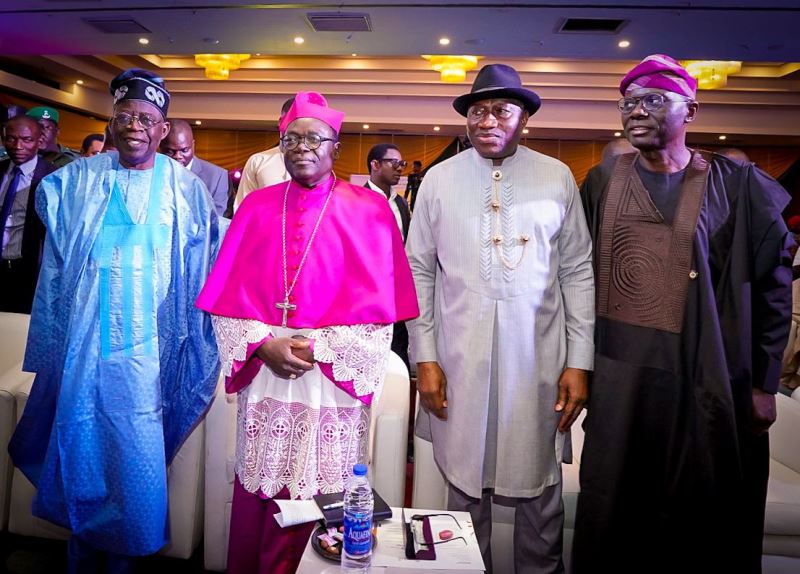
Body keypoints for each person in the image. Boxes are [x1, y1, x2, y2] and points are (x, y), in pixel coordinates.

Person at [573, 54, 792, 574]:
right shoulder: (603, 180)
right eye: (628, 102)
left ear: (690, 110)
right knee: (616, 508)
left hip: (707, 378)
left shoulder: (738, 186)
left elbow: (774, 288)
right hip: (622, 379)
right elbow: (576, 276)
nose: (637, 111)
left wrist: (764, 382)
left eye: (653, 100)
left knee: (703, 507)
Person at [8, 68, 222, 573]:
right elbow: (48, 213)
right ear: (111, 121)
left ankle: (126, 557)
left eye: (147, 118)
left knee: (135, 454)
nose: (134, 126)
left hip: (148, 352)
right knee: (81, 444)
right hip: (85, 345)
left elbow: (204, 258)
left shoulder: (185, 189)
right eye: (124, 116)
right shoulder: (79, 180)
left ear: (163, 128)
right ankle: (81, 555)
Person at [196, 91, 418, 574]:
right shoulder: (255, 207)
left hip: (331, 375)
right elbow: (226, 300)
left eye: (314, 138)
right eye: (291, 138)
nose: (302, 147)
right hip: (267, 371)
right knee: (264, 484)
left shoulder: (371, 210)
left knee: (325, 491)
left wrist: (316, 347)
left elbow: (382, 316)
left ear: (336, 146)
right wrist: (262, 344)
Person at [406, 63, 594, 574]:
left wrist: (579, 361)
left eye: (501, 110)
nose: (486, 120)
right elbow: (417, 271)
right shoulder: (439, 180)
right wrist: (424, 356)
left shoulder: (555, 177)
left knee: (538, 487)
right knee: (464, 486)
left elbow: (578, 272)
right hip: (457, 357)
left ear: (524, 118)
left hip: (538, 359)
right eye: (477, 110)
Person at [0, 115, 55, 313]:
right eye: (11, 138)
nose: (17, 146)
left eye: (26, 140)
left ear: (39, 142)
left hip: (27, 272)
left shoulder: (52, 178)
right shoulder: (1, 170)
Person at [366, 143, 412, 371]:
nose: (400, 168)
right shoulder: (358, 199)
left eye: (402, 164)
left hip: (398, 289)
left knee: (398, 351)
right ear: (375, 165)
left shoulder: (401, 202)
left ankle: (397, 401)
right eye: (394, 163)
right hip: (368, 292)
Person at [232, 97, 294, 213]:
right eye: (293, 121)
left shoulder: (315, 163)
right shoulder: (258, 161)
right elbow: (242, 208)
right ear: (281, 122)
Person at [160, 119, 231, 217]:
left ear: (193, 145)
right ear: (160, 148)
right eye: (169, 151)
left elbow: (217, 220)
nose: (177, 156)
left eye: (184, 150)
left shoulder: (217, 176)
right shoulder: (149, 172)